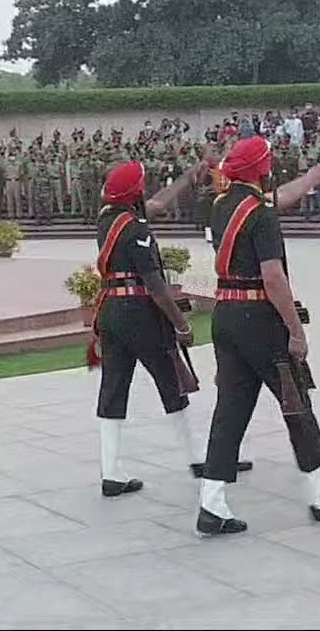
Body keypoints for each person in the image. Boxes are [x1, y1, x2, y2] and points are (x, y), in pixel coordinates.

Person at [197, 136, 320, 537]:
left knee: (230, 413)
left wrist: (317, 175)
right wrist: (295, 329)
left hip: (226, 313)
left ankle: (211, 503)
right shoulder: (261, 214)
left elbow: (278, 197)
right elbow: (273, 276)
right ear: (261, 170)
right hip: (259, 317)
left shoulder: (222, 205)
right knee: (295, 401)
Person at [88, 160, 252, 498]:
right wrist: (180, 323)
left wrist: (185, 178)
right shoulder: (136, 230)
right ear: (135, 192)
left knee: (113, 388)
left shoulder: (108, 220)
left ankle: (111, 472)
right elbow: (155, 285)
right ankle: (196, 459)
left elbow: (158, 203)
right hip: (139, 314)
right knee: (172, 384)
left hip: (110, 312)